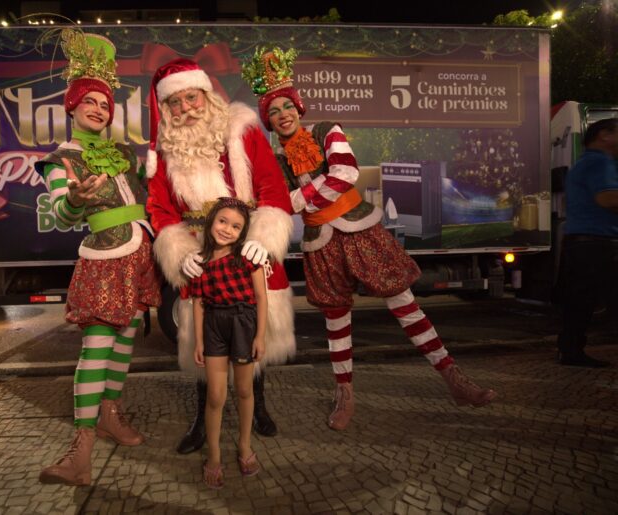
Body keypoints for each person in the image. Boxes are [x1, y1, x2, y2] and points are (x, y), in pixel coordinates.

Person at [241, 47, 497, 431]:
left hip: (361, 229)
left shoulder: (328, 130)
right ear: (269, 121)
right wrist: (292, 201)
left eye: (286, 107)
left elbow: (344, 174)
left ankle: (453, 377)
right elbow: (275, 199)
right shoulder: (276, 158)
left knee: (404, 303)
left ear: (299, 107)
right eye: (273, 112)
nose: (282, 116)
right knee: (336, 318)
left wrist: (297, 199)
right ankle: (344, 392)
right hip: (319, 242)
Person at [145, 58, 295, 454]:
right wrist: (178, 252)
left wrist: (263, 237)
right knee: (201, 339)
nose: (184, 109)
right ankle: (201, 417)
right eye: (173, 103)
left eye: (190, 97)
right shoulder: (165, 148)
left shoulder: (241, 129)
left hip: (247, 248)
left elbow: (272, 187)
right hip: (200, 254)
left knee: (251, 331)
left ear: (205, 95)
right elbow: (159, 207)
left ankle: (257, 405)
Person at [34, 31, 161, 486]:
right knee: (96, 350)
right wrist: (75, 201)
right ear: (71, 106)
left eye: (105, 104)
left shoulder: (125, 152)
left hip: (139, 255)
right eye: (88, 101)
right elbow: (60, 212)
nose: (98, 109)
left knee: (125, 345)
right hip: (104, 258)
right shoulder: (61, 159)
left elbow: (154, 193)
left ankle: (110, 414)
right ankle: (80, 451)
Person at [190, 197, 267, 488]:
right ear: (211, 221)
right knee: (215, 396)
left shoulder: (247, 258)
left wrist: (259, 335)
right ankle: (214, 456)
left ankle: (245, 447)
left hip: (242, 323)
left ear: (242, 232)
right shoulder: (201, 261)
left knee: (245, 390)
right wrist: (198, 341)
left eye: (236, 226)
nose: (227, 229)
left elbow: (261, 298)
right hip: (213, 326)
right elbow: (198, 303)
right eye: (223, 221)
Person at [555, 118, 618, 367]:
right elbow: (608, 199)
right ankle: (571, 350)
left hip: (581, 242)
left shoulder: (583, 163)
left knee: (580, 302)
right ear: (605, 135)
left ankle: (570, 350)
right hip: (598, 244)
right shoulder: (600, 162)